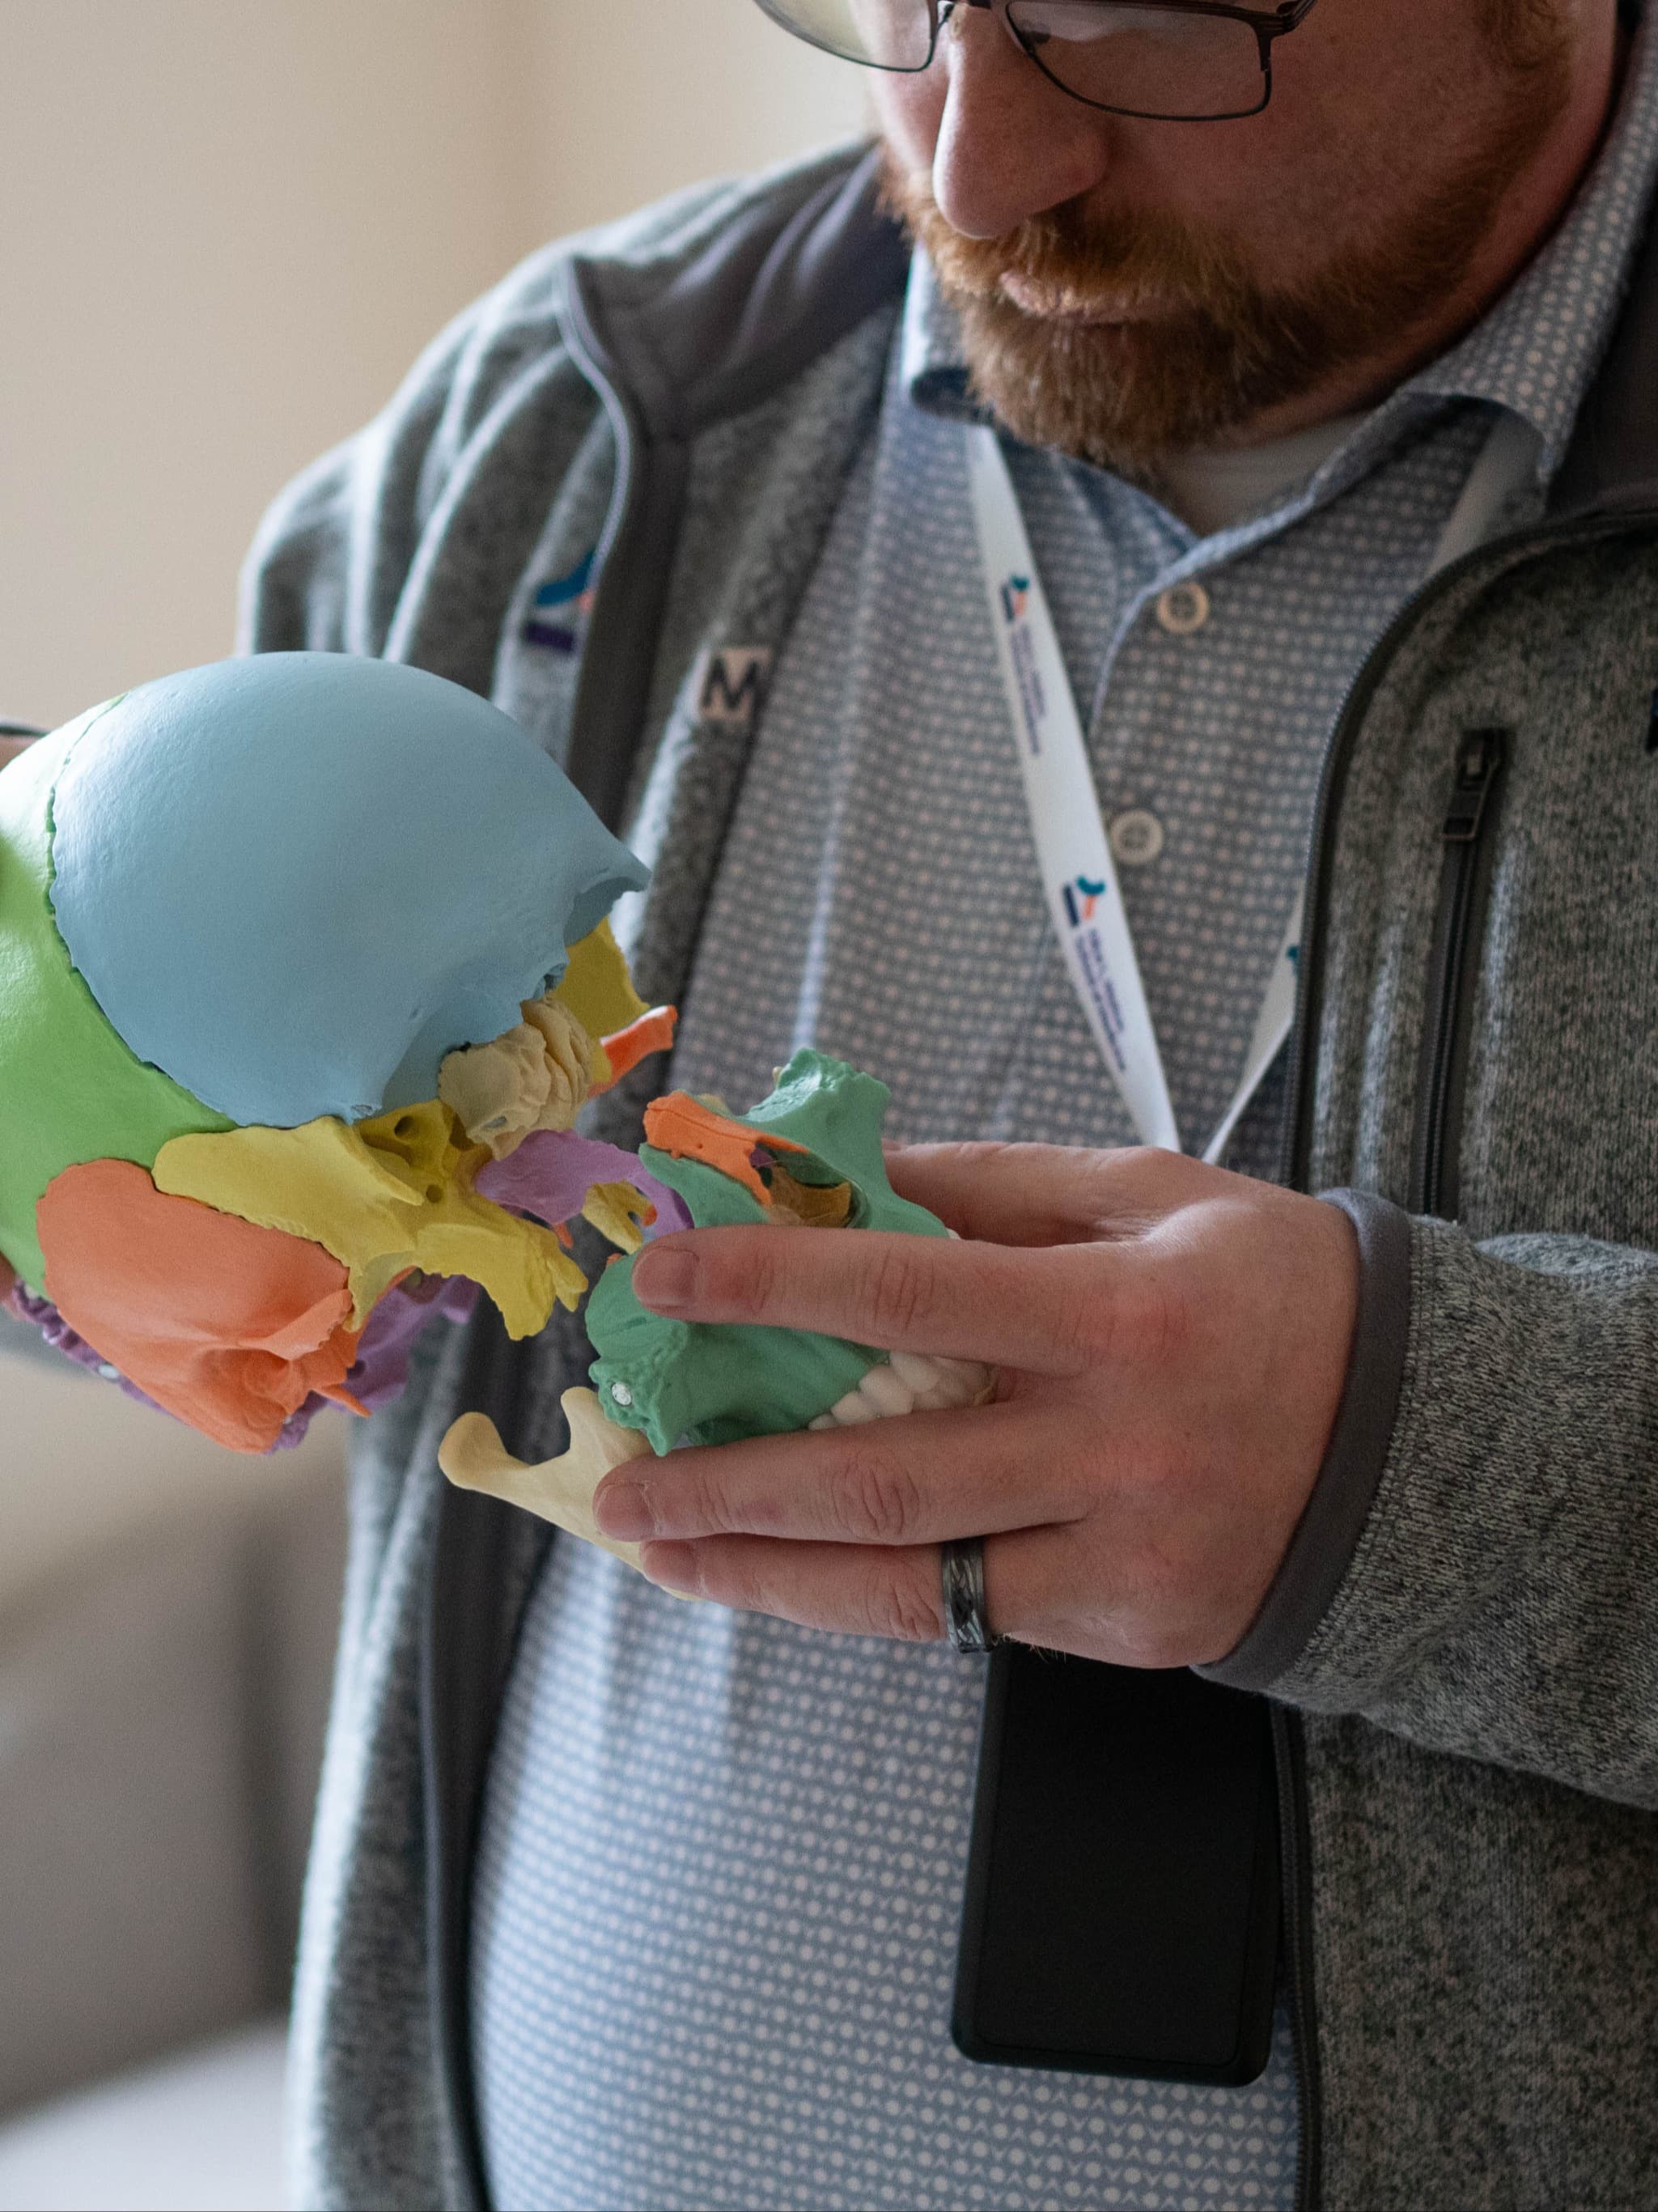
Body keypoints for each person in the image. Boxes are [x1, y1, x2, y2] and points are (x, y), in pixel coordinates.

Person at [17, 0, 1658, 2201]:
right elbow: (143, 1190)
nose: (971, 170)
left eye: (1140, 18)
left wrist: (1441, 1471)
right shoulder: (560, 429)